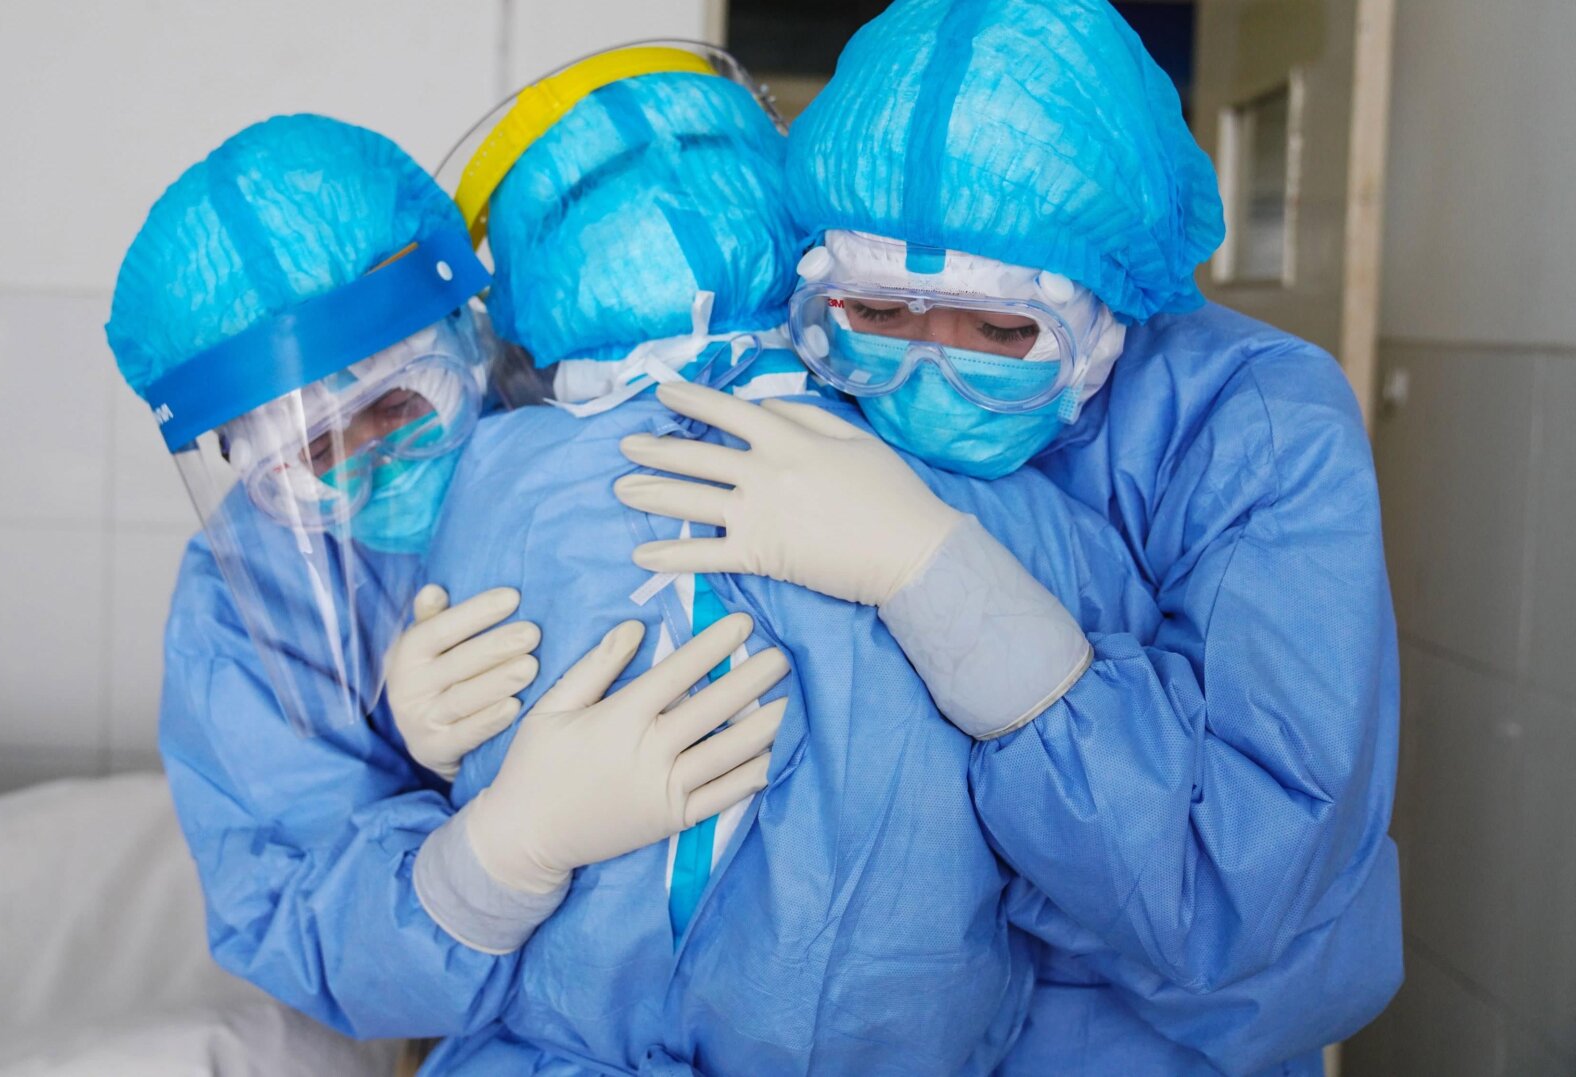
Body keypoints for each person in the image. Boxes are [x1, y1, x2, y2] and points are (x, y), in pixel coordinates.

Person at [613, 2, 1404, 1073]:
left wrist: (935, 579)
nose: (925, 374)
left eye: (998, 334)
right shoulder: (809, 375)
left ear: (1106, 306)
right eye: (882, 314)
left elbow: (1232, 887)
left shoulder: (1256, 424)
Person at [402, 44, 1163, 1075]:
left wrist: (422, 741)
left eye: (994, 330)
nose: (934, 351)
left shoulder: (487, 480)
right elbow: (1135, 835)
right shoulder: (985, 489)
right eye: (891, 316)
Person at [108, 112, 782, 1063]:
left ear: (469, 334)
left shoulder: (603, 421)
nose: (375, 464)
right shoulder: (243, 609)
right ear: (242, 462)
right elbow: (294, 914)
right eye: (315, 452)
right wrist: (500, 850)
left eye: (397, 403)